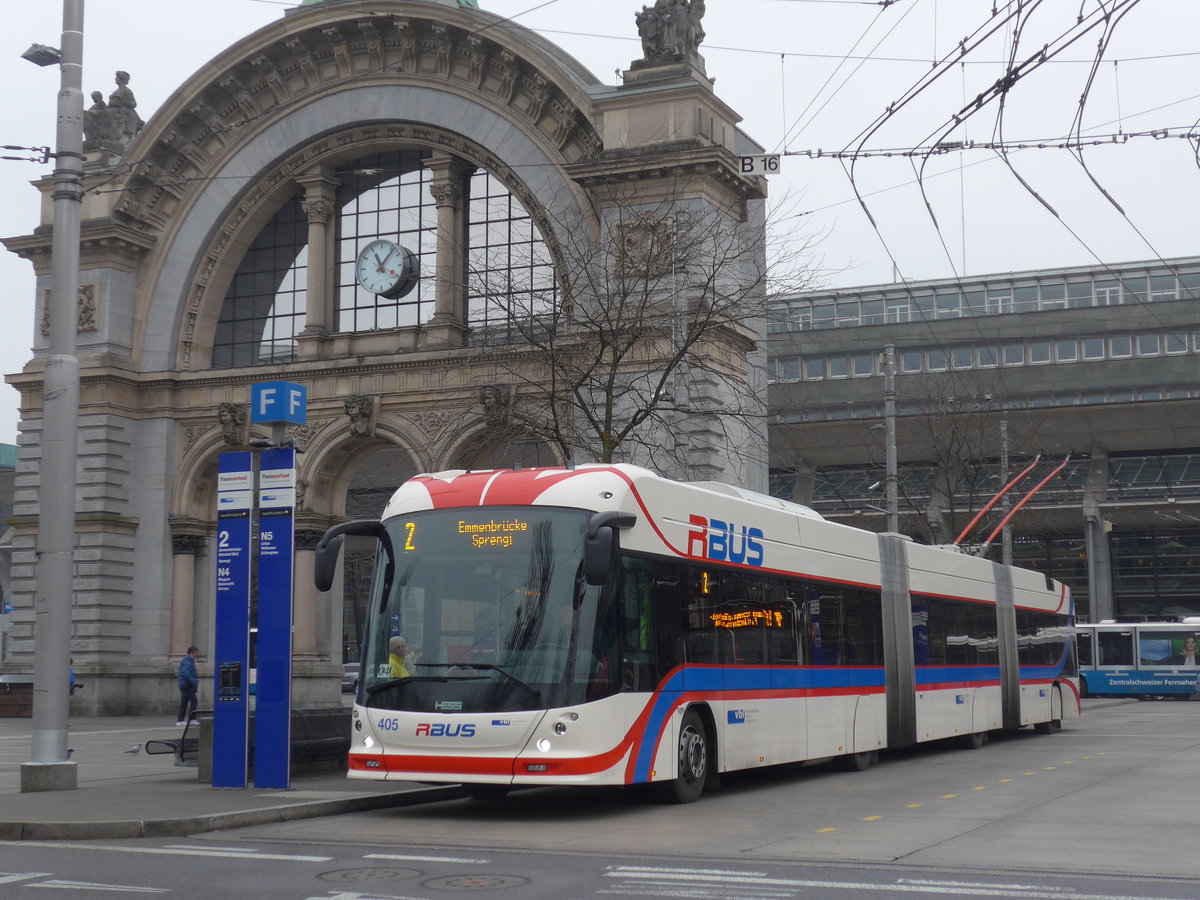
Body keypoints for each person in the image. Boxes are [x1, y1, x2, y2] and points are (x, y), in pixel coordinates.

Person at [176, 646, 200, 726]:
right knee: (194, 701)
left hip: (184, 684)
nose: (197, 654)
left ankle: (180, 720)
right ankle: (192, 719)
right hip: (187, 684)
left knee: (184, 702)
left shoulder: (188, 660)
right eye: (196, 653)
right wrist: (193, 680)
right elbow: (185, 672)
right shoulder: (188, 661)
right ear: (192, 653)